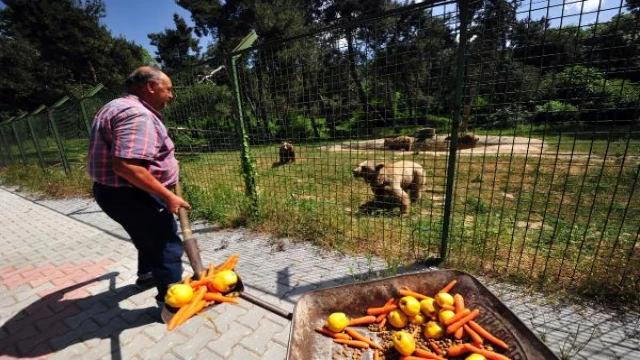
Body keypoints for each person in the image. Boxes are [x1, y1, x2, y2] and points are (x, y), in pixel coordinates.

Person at [87, 66, 190, 308]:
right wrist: (168, 196)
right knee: (166, 244)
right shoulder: (138, 115)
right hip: (135, 193)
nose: (171, 95)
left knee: (145, 236)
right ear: (151, 86)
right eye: (169, 89)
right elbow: (125, 166)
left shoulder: (113, 106)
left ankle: (147, 275)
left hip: (113, 194)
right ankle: (173, 305)